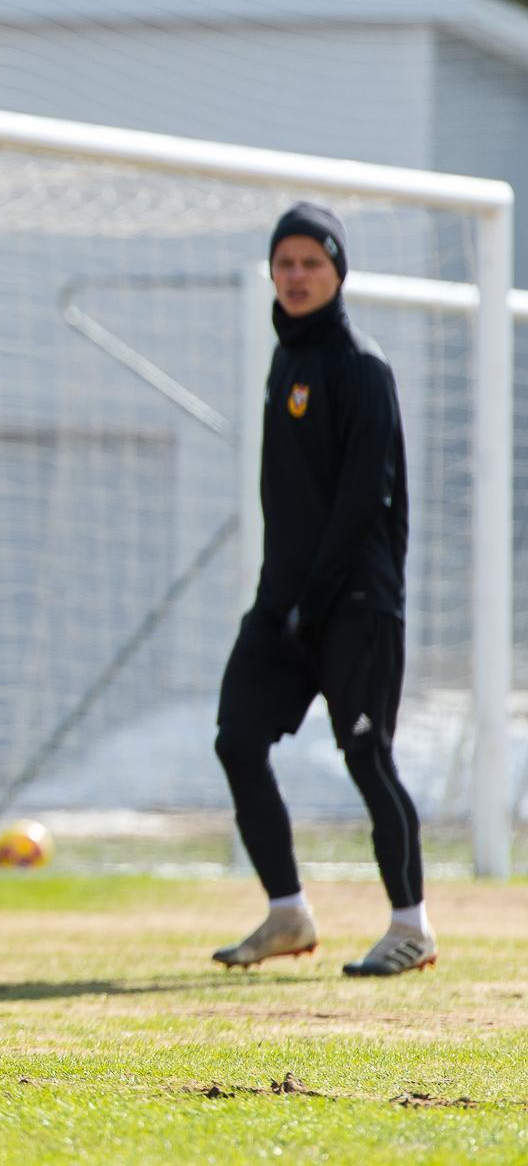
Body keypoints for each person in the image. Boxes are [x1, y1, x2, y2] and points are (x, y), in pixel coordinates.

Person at [211, 202, 432, 977]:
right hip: (285, 603)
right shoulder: (286, 361)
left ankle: (410, 926)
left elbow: (366, 497)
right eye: (285, 263)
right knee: (237, 739)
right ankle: (288, 913)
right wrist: (286, 599)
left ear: (339, 272)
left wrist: (320, 596)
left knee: (367, 755)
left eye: (312, 262)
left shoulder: (361, 367)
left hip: (355, 606)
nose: (297, 275)